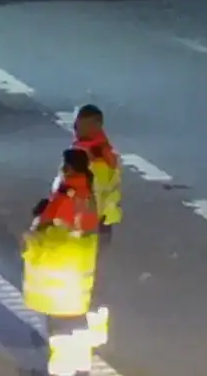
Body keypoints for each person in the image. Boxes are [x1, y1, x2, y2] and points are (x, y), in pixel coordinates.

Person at [23, 148, 101, 376]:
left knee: (60, 327)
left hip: (58, 265)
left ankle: (60, 371)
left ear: (67, 168)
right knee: (77, 320)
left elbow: (45, 227)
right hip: (80, 265)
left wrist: (36, 225)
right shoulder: (88, 193)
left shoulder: (65, 193)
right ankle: (81, 367)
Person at [71, 104, 120, 346]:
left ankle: (84, 327)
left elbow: (80, 194)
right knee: (96, 276)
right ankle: (96, 329)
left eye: (80, 124)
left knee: (84, 277)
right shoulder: (105, 151)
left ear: (95, 125)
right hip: (102, 224)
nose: (76, 128)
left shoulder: (90, 156)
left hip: (89, 226)